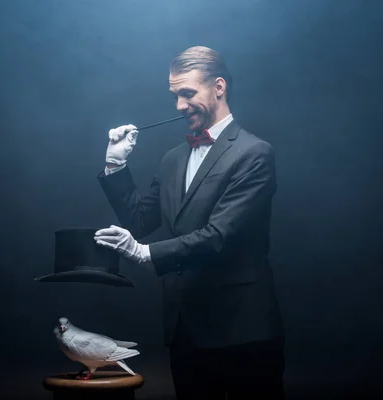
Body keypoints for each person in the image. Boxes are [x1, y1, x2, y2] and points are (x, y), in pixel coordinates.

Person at [94, 46, 285, 399]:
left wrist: (144, 254)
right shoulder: (172, 159)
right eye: (175, 95)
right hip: (185, 330)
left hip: (242, 332)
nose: (179, 106)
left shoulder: (255, 153)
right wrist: (116, 167)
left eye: (187, 93)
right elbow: (139, 221)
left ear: (219, 87)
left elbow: (218, 237)